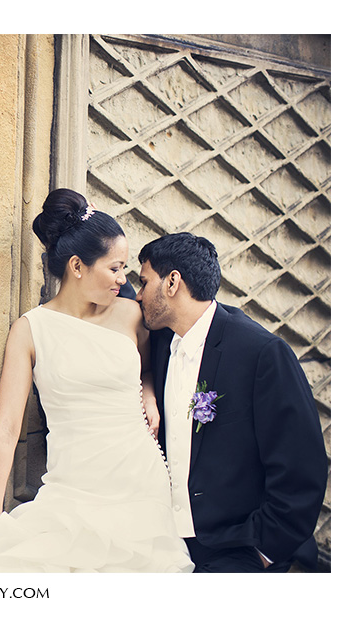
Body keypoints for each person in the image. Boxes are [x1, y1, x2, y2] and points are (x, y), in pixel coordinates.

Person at [0, 189, 193, 572]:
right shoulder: (30, 330)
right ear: (77, 266)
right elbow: (7, 428)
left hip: (139, 482)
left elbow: (147, 368)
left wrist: (148, 393)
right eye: (115, 268)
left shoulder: (132, 314)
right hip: (72, 486)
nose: (123, 279)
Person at [136, 232, 328, 573]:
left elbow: (302, 465)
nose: (138, 295)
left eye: (144, 282)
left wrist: (263, 551)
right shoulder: (162, 341)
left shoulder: (261, 353)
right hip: (169, 542)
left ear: (172, 283)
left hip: (239, 546)